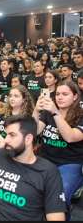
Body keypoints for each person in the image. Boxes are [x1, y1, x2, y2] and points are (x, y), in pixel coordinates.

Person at [0, 115, 67, 221]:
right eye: (6, 135)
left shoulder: (48, 171)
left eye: (12, 135)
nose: (6, 140)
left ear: (28, 139)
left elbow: (56, 217)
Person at [33, 80, 83, 213]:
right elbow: (34, 131)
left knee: (59, 196)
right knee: (29, 188)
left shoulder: (81, 115)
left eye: (65, 94)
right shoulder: (47, 112)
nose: (60, 97)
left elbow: (70, 137)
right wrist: (37, 111)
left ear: (75, 96)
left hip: (70, 163)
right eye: (58, 94)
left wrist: (56, 113)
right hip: (45, 159)